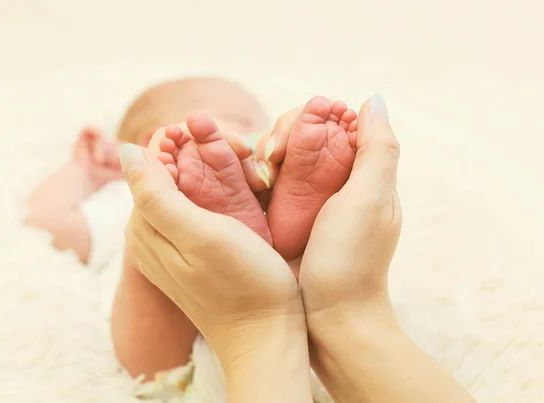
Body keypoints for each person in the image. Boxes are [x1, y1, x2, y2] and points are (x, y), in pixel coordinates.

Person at [119, 94, 477, 402]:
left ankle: (286, 250)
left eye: (250, 125)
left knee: (154, 255)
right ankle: (189, 229)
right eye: (216, 124)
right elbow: (67, 232)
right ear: (148, 142)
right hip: (342, 373)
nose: (234, 138)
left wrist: (257, 317)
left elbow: (65, 230)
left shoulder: (262, 172)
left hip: (255, 365)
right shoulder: (111, 201)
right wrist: (82, 174)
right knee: (147, 251)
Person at [24, 77, 270, 379]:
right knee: (152, 244)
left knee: (291, 247)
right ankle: (165, 228)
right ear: (155, 140)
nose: (261, 137)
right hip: (171, 364)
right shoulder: (123, 198)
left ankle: (280, 238)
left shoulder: (265, 190)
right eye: (241, 123)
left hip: (274, 335)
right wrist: (84, 172)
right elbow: (48, 224)